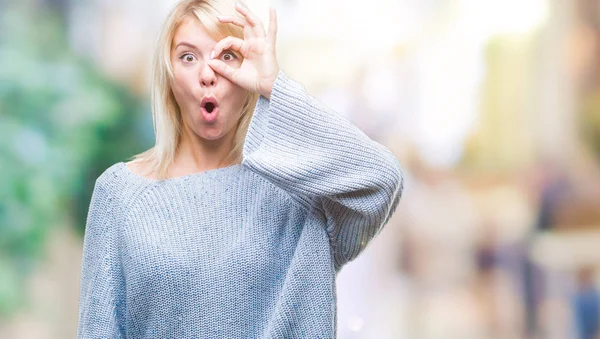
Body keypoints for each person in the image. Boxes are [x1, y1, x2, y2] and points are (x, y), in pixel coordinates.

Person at [76, 0, 404, 337]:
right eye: (188, 57)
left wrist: (274, 86)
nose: (208, 74)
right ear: (169, 77)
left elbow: (381, 177)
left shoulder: (300, 192)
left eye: (227, 56)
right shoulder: (120, 193)